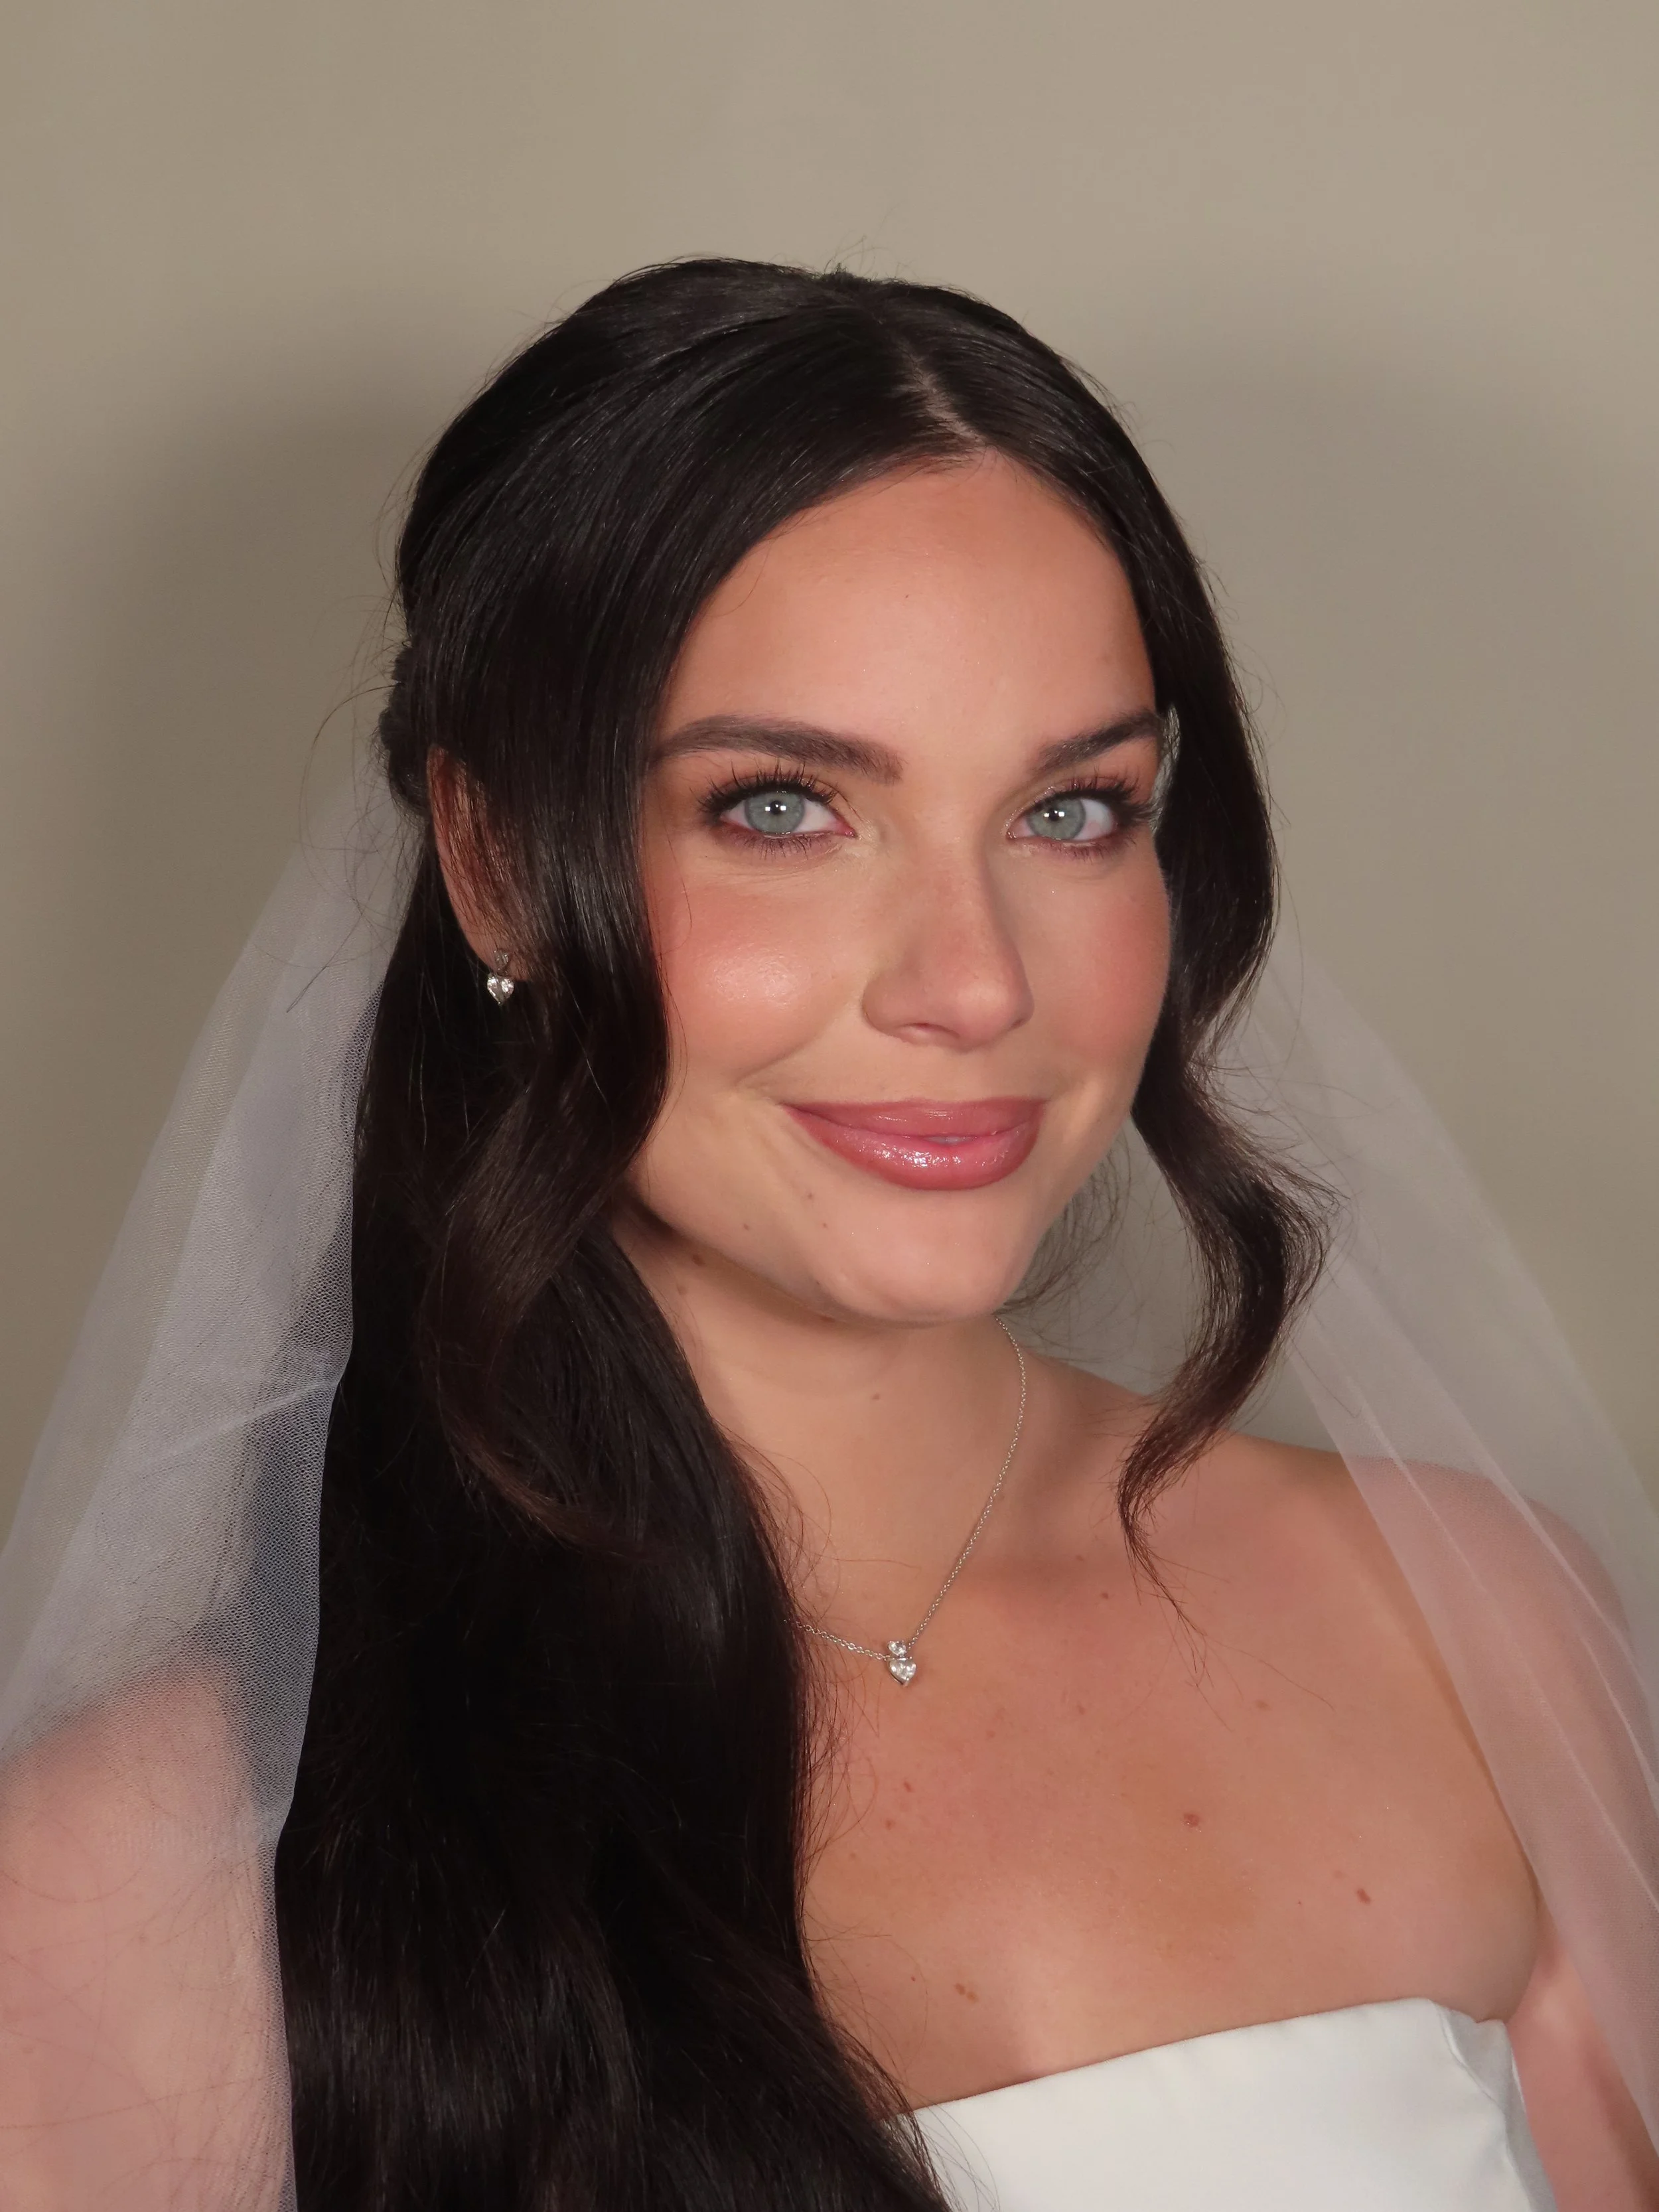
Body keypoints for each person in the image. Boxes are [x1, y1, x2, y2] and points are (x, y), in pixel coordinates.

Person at [1, 258, 1656, 2210]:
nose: (971, 985)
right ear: (490, 860)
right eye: (783, 806)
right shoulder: (159, 1871)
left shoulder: (1472, 1630)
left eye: (1072, 811)